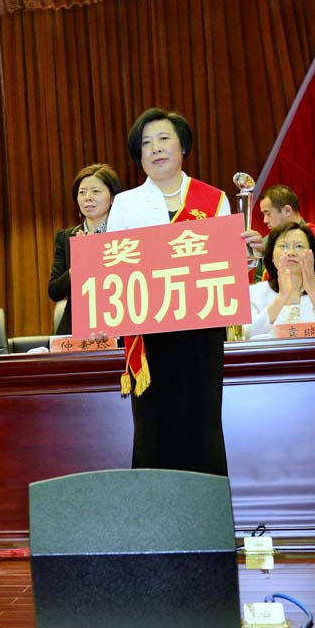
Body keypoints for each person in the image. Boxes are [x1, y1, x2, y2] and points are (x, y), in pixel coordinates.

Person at [106, 108, 234, 477]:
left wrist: (246, 256)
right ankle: (155, 512)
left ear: (183, 147)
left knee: (202, 424)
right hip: (149, 335)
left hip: (201, 331)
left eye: (164, 139)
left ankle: (204, 509)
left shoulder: (214, 199)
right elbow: (112, 266)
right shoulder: (126, 203)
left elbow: (227, 266)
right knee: (154, 429)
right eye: (146, 143)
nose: (156, 148)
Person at [48, 164, 123, 336]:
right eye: (82, 192)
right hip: (76, 328)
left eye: (96, 191)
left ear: (112, 198)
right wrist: (79, 265)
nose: (88, 198)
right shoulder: (66, 237)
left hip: (118, 324)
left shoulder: (124, 235)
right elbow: (55, 292)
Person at [245, 185, 315, 291]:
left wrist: (309, 289)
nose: (265, 220)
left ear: (287, 211)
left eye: (268, 213)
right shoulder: (267, 243)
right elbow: (260, 284)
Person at [248, 221, 315, 339]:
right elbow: (246, 336)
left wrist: (312, 289)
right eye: (283, 246)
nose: (291, 253)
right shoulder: (255, 293)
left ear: (312, 255)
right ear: (271, 256)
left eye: (299, 246)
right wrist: (282, 298)